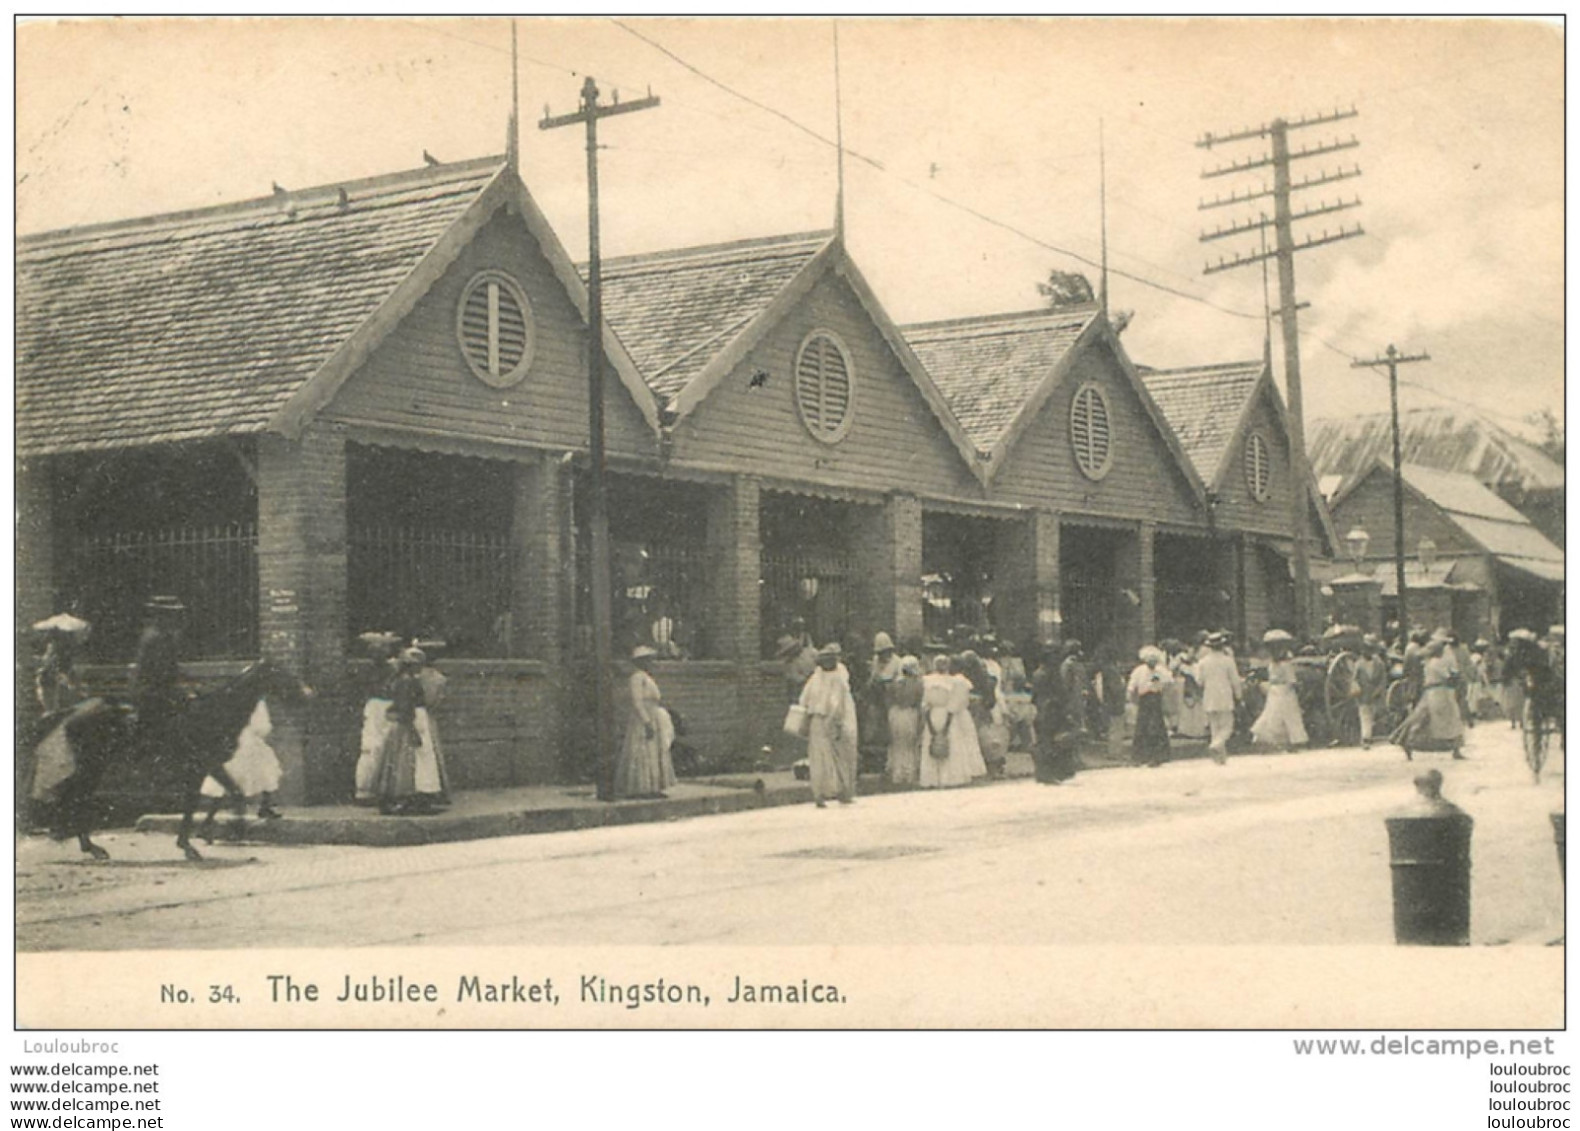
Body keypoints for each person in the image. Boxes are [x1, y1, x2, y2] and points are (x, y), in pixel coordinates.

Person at [375, 647, 439, 815]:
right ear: (408, 665)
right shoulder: (407, 681)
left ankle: (410, 798)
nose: (419, 667)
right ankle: (406, 798)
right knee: (410, 761)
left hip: (410, 721)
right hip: (410, 722)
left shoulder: (402, 680)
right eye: (415, 664)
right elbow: (406, 707)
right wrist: (412, 730)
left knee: (407, 761)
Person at [200, 700, 284, 822]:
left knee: (228, 775)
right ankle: (265, 806)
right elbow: (261, 727)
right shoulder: (256, 701)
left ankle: (210, 816)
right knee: (266, 769)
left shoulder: (227, 699)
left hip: (231, 739)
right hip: (248, 740)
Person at [131, 596, 191, 761]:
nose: (173, 619)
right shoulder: (156, 637)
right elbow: (160, 671)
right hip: (151, 691)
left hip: (157, 688)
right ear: (160, 616)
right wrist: (179, 688)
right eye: (169, 615)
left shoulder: (162, 636)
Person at [799, 643, 859, 807]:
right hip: (832, 721)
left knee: (819, 758)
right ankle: (842, 791)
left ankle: (820, 793)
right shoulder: (838, 678)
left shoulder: (816, 678)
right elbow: (837, 704)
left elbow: (803, 699)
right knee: (840, 757)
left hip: (816, 721)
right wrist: (837, 722)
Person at [614, 646, 677, 799]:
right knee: (643, 750)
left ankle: (653, 787)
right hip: (644, 717)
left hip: (653, 715)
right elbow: (637, 702)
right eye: (648, 660)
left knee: (654, 751)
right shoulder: (637, 677)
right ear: (641, 662)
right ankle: (640, 788)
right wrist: (646, 721)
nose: (651, 663)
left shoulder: (647, 677)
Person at [1390, 635, 1465, 760]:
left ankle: (1409, 744)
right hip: (1438, 693)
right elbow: (1447, 677)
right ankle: (1454, 748)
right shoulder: (1435, 663)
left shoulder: (1430, 663)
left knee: (1423, 718)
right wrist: (1456, 676)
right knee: (1446, 720)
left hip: (1438, 693)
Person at [919, 654, 986, 788]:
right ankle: (950, 777)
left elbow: (924, 705)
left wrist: (930, 724)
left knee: (933, 743)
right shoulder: (955, 682)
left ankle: (933, 779)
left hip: (933, 714)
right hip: (947, 714)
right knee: (951, 743)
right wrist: (946, 725)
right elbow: (954, 705)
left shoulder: (927, 681)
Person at [353, 631, 402, 804]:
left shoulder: (375, 669)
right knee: (374, 747)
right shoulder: (386, 670)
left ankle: (371, 788)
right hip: (379, 708)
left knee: (376, 747)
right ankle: (367, 788)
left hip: (377, 706)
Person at [1250, 630, 1308, 751]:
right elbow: (1292, 680)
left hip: (1274, 690)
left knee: (1272, 713)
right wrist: (1299, 687)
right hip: (1286, 691)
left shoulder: (1272, 664)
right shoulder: (1286, 665)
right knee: (1291, 715)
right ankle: (1295, 739)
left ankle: (1272, 739)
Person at [1030, 643, 1079, 783]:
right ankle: (1050, 773)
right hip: (1052, 710)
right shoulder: (1049, 674)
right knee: (1051, 743)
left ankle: (1046, 773)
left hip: (1045, 710)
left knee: (1047, 742)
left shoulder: (1039, 673)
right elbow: (1061, 693)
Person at [1196, 631, 1243, 764]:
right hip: (1224, 695)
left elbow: (1199, 681)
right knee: (1227, 725)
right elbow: (1235, 680)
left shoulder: (1202, 662)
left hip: (1209, 695)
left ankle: (1220, 758)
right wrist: (1238, 695)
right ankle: (1217, 745)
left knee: (1214, 727)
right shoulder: (1228, 661)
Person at [1128, 645, 1171, 767]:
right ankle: (1139, 757)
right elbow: (1132, 686)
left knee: (1156, 727)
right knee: (1141, 727)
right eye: (1149, 660)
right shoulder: (1139, 671)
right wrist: (1131, 698)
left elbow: (1168, 682)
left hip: (1155, 698)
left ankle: (1158, 756)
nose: (1151, 663)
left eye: (1154, 661)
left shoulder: (1160, 671)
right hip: (1144, 699)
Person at [885, 655, 925, 787]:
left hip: (895, 713)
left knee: (897, 744)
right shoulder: (918, 684)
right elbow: (918, 701)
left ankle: (897, 773)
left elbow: (889, 700)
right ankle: (909, 773)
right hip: (910, 713)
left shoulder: (894, 683)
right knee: (910, 744)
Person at [1353, 635, 1388, 749]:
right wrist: (1356, 688)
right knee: (1365, 715)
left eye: (1369, 649)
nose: (1366, 651)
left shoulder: (1379, 664)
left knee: (1371, 714)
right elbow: (1354, 679)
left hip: (1374, 692)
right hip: (1363, 693)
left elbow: (1383, 679)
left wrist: (1378, 690)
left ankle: (1368, 736)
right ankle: (1366, 739)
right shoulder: (1358, 664)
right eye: (1365, 649)